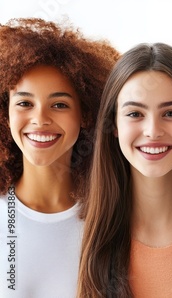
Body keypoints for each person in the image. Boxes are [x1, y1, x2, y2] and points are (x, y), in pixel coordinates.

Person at [0, 18, 118, 297]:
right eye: (24, 103)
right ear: (6, 112)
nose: (40, 119)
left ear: (86, 114)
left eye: (59, 104)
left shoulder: (108, 217)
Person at [77, 42, 172, 298]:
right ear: (113, 125)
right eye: (135, 113)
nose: (153, 131)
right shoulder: (79, 233)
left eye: (171, 113)